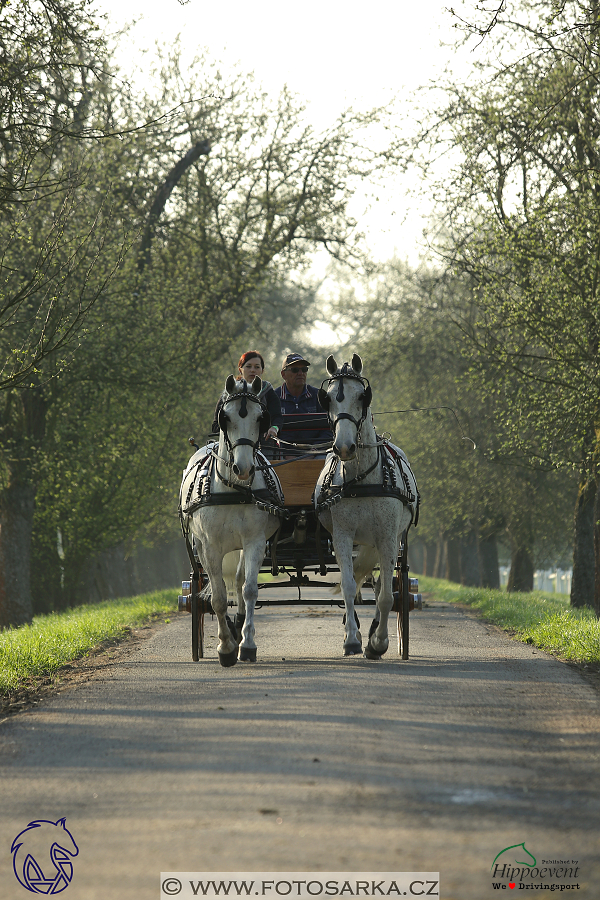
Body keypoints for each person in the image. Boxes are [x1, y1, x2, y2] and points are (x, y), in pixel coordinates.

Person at [211, 351, 282, 443]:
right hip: (232, 445)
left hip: (263, 444)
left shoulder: (268, 391)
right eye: (248, 366)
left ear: (262, 371)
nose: (252, 370)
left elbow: (277, 417)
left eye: (257, 367)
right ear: (240, 369)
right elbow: (216, 425)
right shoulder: (230, 393)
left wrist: (274, 428)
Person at [274, 352, 332, 446]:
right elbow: (268, 431)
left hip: (316, 453)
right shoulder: (273, 398)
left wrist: (314, 450)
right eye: (295, 370)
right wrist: (285, 453)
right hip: (281, 454)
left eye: (304, 369)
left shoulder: (319, 396)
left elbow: (329, 429)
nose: (300, 373)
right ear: (283, 374)